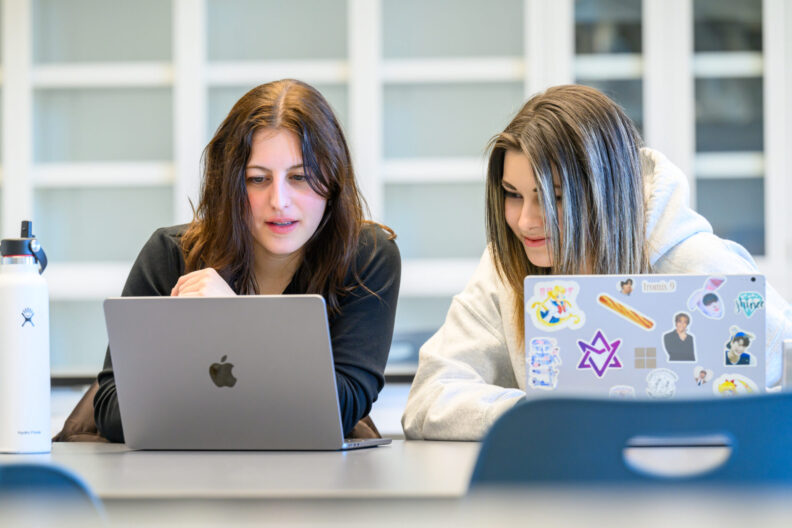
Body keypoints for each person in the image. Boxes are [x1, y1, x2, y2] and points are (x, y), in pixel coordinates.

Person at [401, 84, 792, 441]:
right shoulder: (506, 264)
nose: (525, 222)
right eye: (512, 194)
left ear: (605, 192)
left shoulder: (696, 263)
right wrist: (542, 414)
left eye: (552, 197)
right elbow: (430, 396)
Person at [94, 79, 401, 442]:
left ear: (333, 182)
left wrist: (234, 319)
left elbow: (341, 407)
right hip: (184, 486)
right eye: (257, 179)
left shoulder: (367, 256)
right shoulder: (170, 253)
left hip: (312, 487)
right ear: (228, 185)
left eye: (300, 177)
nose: (279, 200)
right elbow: (113, 410)